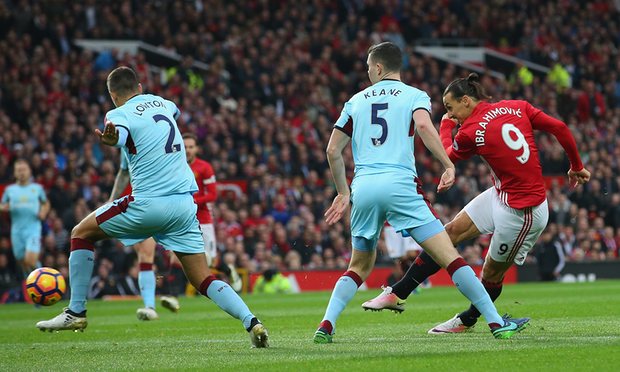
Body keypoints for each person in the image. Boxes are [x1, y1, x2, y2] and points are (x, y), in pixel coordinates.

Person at [36, 66, 268, 348]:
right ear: (140, 86)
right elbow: (173, 114)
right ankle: (252, 322)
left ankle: (75, 311)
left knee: (80, 233)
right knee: (202, 278)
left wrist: (112, 139)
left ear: (112, 95)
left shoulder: (117, 114)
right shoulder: (165, 103)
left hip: (148, 203)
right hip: (184, 206)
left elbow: (118, 135)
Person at [313, 42, 528, 344]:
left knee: (358, 265)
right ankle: (495, 322)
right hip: (401, 185)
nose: (368, 73)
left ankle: (326, 325)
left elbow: (332, 150)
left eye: (368, 68)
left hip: (364, 187)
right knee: (449, 257)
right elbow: (425, 127)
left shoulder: (355, 101)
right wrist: (447, 164)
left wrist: (342, 192)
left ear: (376, 68)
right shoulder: (415, 95)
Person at [362, 73, 590, 334]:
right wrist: (577, 166)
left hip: (523, 212)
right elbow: (560, 128)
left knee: (491, 274)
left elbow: (446, 156)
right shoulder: (518, 107)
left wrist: (446, 127)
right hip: (501, 194)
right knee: (448, 233)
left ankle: (466, 320)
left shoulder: (471, 132)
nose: (450, 114)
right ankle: (398, 292)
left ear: (467, 101)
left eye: (450, 108)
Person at [107, 153, 180, 321]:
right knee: (144, 254)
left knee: (170, 254)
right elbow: (124, 172)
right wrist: (112, 200)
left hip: (161, 203)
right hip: (137, 205)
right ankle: (151, 305)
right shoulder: (126, 145)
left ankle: (166, 296)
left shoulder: (154, 140)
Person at [0, 159, 50, 278]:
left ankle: (45, 282)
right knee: (23, 261)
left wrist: (43, 211)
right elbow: (2, 204)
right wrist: (3, 208)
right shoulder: (9, 190)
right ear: (15, 173)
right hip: (17, 231)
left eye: (24, 170)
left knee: (30, 260)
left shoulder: (37, 188)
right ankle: (35, 286)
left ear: (29, 171)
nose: (21, 173)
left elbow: (45, 203)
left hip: (33, 229)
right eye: (19, 170)